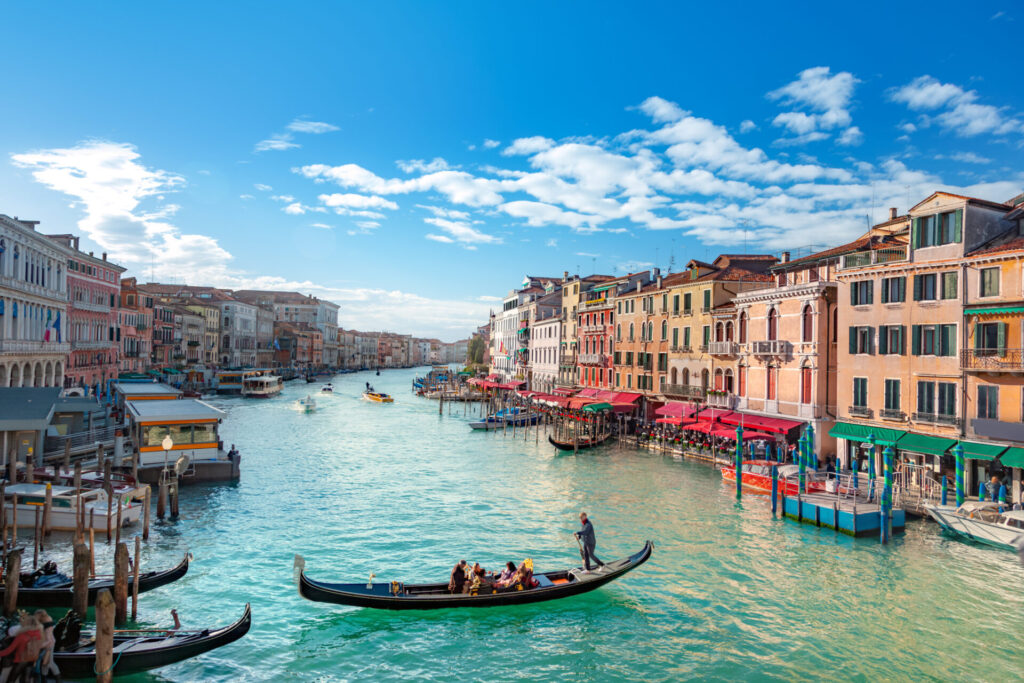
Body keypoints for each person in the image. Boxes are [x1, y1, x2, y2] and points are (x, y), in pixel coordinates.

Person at [0, 614, 42, 682]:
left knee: (11, 680)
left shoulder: (21, 636)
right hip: (31, 659)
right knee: (26, 678)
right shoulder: (38, 635)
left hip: (21, 661)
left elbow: (9, 650)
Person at [34, 610, 59, 679]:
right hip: (47, 643)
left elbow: (48, 639)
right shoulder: (47, 621)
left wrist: (38, 646)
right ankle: (44, 680)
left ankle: (58, 680)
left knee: (50, 663)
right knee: (45, 664)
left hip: (49, 644)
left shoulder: (47, 624)